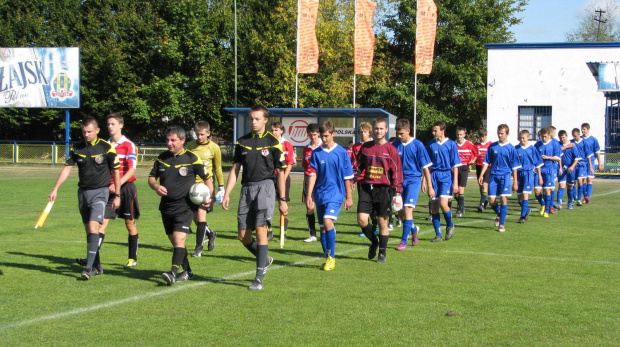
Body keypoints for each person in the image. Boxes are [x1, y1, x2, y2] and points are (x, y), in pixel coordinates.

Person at [222, 105, 288, 291]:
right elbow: (235, 169)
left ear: (265, 120)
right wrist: (227, 193)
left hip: (266, 187)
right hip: (246, 190)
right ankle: (264, 258)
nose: (253, 122)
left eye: (257, 119)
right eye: (251, 118)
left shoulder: (273, 142)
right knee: (243, 236)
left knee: (261, 228)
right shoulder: (242, 142)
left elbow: (281, 173)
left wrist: (282, 199)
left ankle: (259, 277)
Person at [49, 117, 121, 280]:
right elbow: (67, 169)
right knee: (90, 231)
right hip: (82, 193)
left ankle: (88, 268)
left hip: (100, 193)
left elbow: (116, 171)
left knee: (94, 227)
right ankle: (97, 267)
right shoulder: (78, 148)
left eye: (89, 132)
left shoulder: (106, 148)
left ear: (97, 131)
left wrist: (117, 194)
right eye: (84, 132)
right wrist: (55, 189)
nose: (86, 135)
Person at [148, 126, 209, 286]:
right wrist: (156, 187)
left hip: (185, 207)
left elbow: (207, 178)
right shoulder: (162, 158)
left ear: (182, 141)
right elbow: (152, 178)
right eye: (167, 140)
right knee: (175, 242)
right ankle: (188, 272)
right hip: (166, 207)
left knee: (179, 239)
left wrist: (209, 195)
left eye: (173, 140)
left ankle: (172, 273)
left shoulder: (192, 158)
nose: (169, 143)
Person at [305, 121, 354, 271]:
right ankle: (327, 256)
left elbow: (347, 176)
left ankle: (332, 257)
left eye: (326, 136)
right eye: (322, 136)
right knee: (322, 229)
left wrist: (349, 197)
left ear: (333, 134)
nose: (324, 139)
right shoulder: (316, 153)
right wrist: (309, 195)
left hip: (336, 194)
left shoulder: (341, 153)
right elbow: (312, 175)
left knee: (327, 221)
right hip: (320, 194)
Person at [356, 117, 402, 263]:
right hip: (366, 188)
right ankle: (374, 242)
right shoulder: (366, 147)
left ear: (386, 130)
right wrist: (352, 178)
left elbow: (397, 172)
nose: (378, 131)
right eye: (376, 128)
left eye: (381, 128)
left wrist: (397, 192)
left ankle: (382, 253)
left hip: (383, 190)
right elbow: (358, 165)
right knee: (362, 220)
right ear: (373, 129)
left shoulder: (391, 150)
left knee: (382, 222)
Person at [391, 118, 433, 251]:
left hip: (413, 180)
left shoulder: (418, 145)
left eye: (401, 133)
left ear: (408, 131)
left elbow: (426, 167)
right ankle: (413, 229)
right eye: (398, 133)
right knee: (401, 211)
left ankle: (403, 241)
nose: (399, 136)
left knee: (408, 209)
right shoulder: (394, 145)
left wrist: (429, 186)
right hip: (399, 182)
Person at [186, 121, 224, 257]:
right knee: (195, 218)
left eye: (202, 134)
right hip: (191, 186)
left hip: (206, 187)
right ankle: (210, 233)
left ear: (208, 133)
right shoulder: (190, 146)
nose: (199, 137)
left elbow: (218, 168)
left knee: (201, 216)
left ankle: (198, 249)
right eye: (197, 134)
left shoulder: (214, 148)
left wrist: (221, 187)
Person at [477, 124, 519, 231]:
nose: (500, 135)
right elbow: (486, 162)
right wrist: (481, 175)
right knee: (491, 200)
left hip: (505, 176)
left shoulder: (511, 148)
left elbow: (514, 167)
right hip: (493, 176)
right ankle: (500, 214)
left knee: (503, 199)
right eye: (498, 133)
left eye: (502, 133)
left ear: (507, 134)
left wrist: (515, 181)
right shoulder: (492, 147)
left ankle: (502, 224)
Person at [426, 121, 461, 242]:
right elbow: (427, 166)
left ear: (442, 130)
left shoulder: (451, 145)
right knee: (434, 206)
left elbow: (456, 165)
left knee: (443, 203)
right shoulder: (431, 145)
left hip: (446, 175)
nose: (433, 132)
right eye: (433, 130)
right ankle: (438, 234)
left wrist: (455, 183)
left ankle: (450, 225)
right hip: (434, 176)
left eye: (435, 130)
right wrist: (425, 181)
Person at [270, 121, 296, 239]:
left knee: (283, 204)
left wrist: (284, 177)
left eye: (276, 130)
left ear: (281, 131)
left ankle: (283, 231)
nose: (274, 132)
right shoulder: (269, 144)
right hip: (270, 178)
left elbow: (290, 163)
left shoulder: (287, 144)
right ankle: (268, 231)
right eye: (272, 130)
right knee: (268, 204)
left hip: (283, 176)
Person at [352, 122, 377, 237]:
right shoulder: (356, 146)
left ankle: (375, 226)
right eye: (361, 132)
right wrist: (353, 179)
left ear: (369, 132)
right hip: (360, 179)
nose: (362, 134)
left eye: (365, 132)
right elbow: (354, 163)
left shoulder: (373, 145)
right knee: (364, 202)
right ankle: (367, 228)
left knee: (373, 202)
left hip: (372, 178)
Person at [514, 129, 542, 223]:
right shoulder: (516, 148)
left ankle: (523, 216)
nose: (521, 140)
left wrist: (540, 177)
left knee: (525, 194)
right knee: (519, 198)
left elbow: (538, 163)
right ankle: (526, 210)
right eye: (520, 138)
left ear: (528, 137)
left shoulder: (532, 149)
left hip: (529, 173)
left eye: (523, 138)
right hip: (519, 174)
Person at [535, 127, 562, 218]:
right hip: (539, 170)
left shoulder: (554, 144)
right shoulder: (538, 144)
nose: (543, 138)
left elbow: (558, 158)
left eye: (545, 136)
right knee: (537, 191)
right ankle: (543, 204)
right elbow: (534, 155)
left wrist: (548, 157)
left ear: (549, 135)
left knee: (547, 190)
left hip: (550, 169)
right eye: (542, 136)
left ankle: (547, 210)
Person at [301, 123, 322, 242]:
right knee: (309, 206)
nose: (313, 137)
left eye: (315, 134)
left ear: (318, 134)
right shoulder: (306, 149)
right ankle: (313, 234)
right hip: (308, 179)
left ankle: (327, 229)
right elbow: (305, 166)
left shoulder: (323, 147)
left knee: (322, 205)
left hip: (321, 180)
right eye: (311, 134)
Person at [454, 127, 478, 217]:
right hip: (455, 168)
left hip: (464, 167)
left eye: (461, 134)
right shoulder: (453, 144)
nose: (459, 136)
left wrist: (473, 161)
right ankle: (461, 204)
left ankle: (459, 210)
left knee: (461, 188)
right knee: (455, 192)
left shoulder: (469, 144)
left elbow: (476, 153)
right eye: (458, 134)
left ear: (464, 135)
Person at [557, 129, 582, 210]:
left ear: (566, 136)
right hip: (562, 168)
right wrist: (560, 167)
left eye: (563, 137)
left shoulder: (573, 145)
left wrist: (572, 166)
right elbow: (557, 154)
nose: (562, 139)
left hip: (571, 168)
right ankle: (559, 204)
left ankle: (570, 202)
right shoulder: (558, 145)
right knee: (561, 185)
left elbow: (577, 158)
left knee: (570, 186)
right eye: (560, 138)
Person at [581, 123, 603, 203]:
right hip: (582, 162)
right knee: (582, 180)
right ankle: (584, 196)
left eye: (584, 129)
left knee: (589, 179)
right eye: (582, 129)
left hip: (591, 162)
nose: (583, 130)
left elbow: (597, 152)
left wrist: (600, 162)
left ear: (588, 129)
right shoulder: (580, 139)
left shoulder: (593, 140)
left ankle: (587, 196)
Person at [474, 127, 492, 212]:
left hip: (488, 167)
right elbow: (474, 155)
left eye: (483, 136)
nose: (482, 138)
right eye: (480, 136)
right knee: (481, 185)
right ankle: (485, 200)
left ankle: (481, 204)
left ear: (486, 136)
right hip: (479, 166)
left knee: (485, 184)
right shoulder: (476, 145)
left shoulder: (490, 145)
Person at [570, 128, 588, 208]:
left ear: (578, 134)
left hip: (582, 164)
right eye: (573, 136)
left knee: (580, 181)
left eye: (575, 136)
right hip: (574, 164)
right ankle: (575, 198)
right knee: (573, 182)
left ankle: (579, 199)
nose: (574, 137)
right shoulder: (572, 142)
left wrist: (590, 165)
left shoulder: (584, 142)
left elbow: (589, 154)